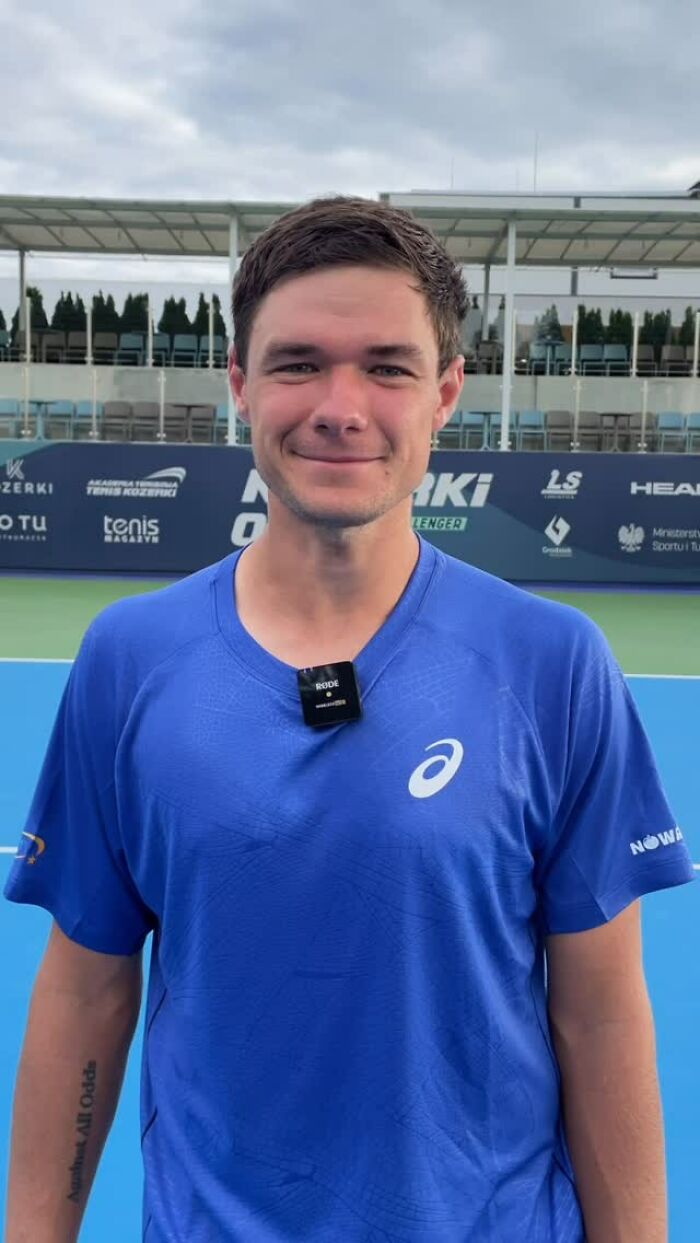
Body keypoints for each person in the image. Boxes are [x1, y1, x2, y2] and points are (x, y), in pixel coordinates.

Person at [4, 196, 694, 1243]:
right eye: (297, 364)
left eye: (386, 367)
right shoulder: (127, 659)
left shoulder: (554, 664)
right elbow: (87, 991)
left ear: (446, 392)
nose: (340, 406)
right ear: (238, 383)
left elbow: (598, 1014)